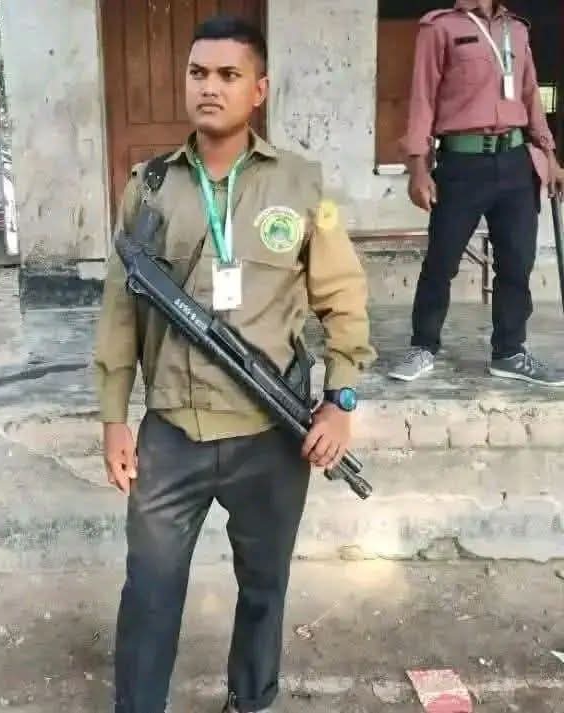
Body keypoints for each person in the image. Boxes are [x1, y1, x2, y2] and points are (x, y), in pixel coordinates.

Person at [94, 15, 376, 713]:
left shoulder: (301, 185)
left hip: (269, 435)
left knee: (263, 587)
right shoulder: (149, 186)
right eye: (198, 73)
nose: (210, 87)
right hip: (172, 433)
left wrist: (340, 401)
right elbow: (120, 309)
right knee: (150, 590)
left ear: (259, 90)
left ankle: (250, 701)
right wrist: (113, 417)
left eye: (228, 75)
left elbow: (343, 300)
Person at [388, 0, 564, 385]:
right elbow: (422, 98)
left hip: (516, 162)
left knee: (517, 263)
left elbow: (531, 94)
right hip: (461, 164)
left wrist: (549, 155)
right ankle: (423, 346)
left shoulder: (517, 29)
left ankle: (510, 352)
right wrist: (418, 168)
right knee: (442, 262)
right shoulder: (440, 27)